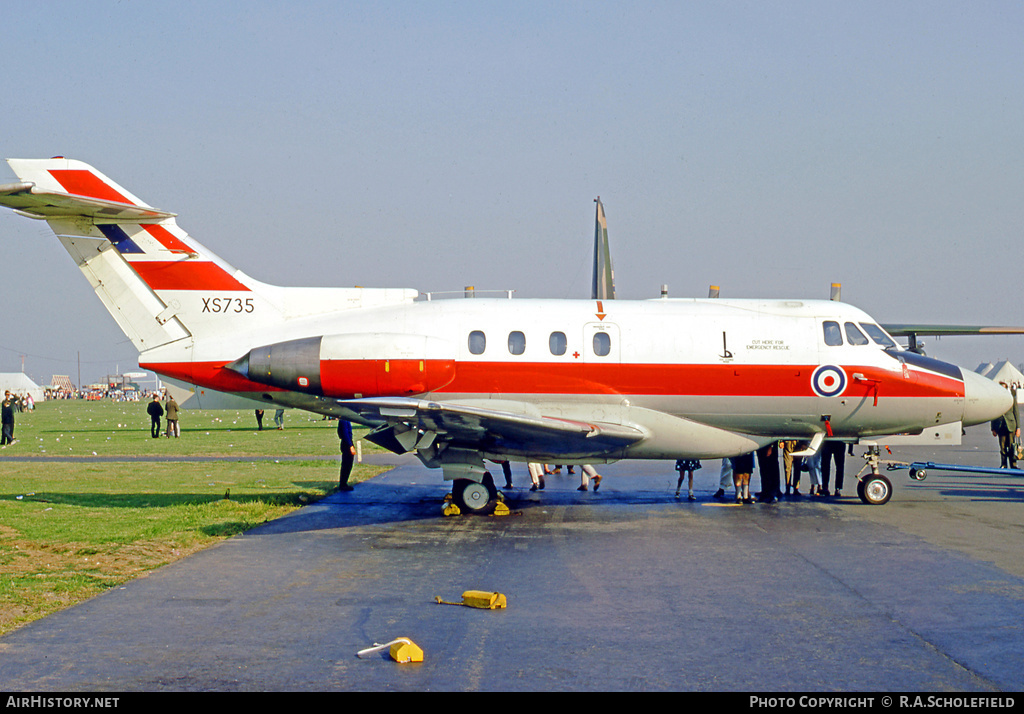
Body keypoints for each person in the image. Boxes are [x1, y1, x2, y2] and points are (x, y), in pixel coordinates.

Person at [991, 383, 1020, 468]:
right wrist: (993, 428)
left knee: (1012, 447)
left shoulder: (1011, 399)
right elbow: (992, 414)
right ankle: (1003, 464)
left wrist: (1018, 427)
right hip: (1000, 426)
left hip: (1010, 424)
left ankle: (1013, 465)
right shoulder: (996, 400)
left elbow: (1016, 413)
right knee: (1002, 447)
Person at [338, 419, 355, 490]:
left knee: (346, 464)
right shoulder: (344, 419)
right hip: (347, 443)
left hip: (345, 442)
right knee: (347, 464)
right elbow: (345, 433)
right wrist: (350, 445)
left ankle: (343, 483)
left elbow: (339, 432)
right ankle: (343, 484)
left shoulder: (342, 420)